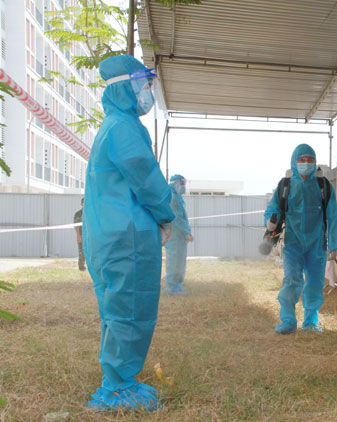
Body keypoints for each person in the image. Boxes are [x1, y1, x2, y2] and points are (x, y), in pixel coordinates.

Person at [82, 55, 175, 411]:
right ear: (125, 85)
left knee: (116, 310)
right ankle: (119, 388)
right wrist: (166, 215)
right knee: (130, 309)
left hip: (109, 237)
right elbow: (146, 178)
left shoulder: (111, 126)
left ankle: (116, 379)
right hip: (128, 238)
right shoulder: (123, 128)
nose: (148, 92)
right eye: (144, 84)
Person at [264, 144, 337, 334]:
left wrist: (334, 243)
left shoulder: (324, 186)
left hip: (317, 245)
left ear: (315, 162)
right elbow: (273, 208)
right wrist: (270, 222)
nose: (306, 163)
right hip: (293, 243)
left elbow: (333, 216)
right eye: (302, 160)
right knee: (291, 279)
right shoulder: (285, 185)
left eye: (309, 160)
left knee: (314, 283)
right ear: (294, 162)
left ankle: (310, 322)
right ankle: (288, 320)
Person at [164, 174, 194, 295]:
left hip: (179, 235)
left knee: (180, 260)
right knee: (174, 260)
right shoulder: (172, 197)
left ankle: (177, 286)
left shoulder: (178, 197)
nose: (183, 187)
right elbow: (176, 218)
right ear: (175, 183)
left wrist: (187, 232)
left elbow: (183, 218)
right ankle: (172, 287)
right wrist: (186, 232)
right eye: (182, 183)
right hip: (174, 235)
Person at [73, 197, 85, 271]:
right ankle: (81, 267)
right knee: (81, 252)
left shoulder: (91, 213)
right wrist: (78, 236)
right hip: (81, 235)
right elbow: (76, 226)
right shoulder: (78, 214)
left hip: (90, 236)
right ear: (81, 204)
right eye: (83, 202)